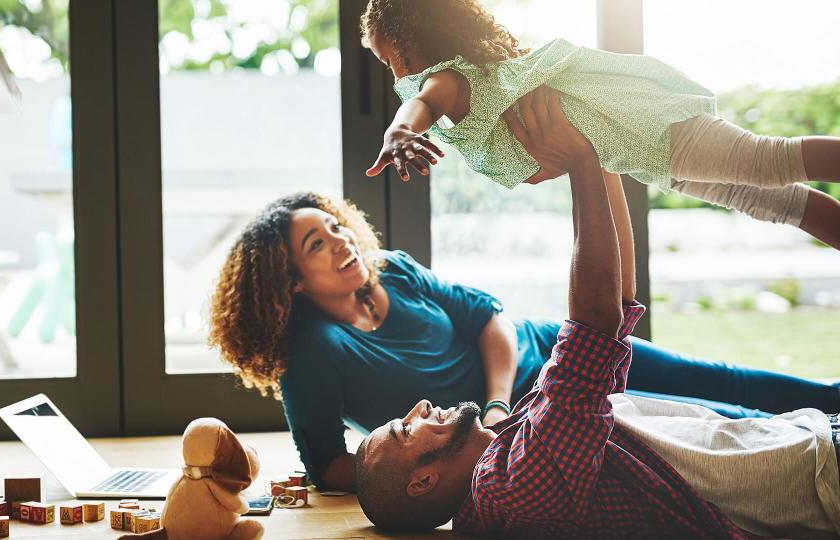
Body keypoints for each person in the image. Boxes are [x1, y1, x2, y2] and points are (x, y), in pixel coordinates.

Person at [354, 91, 840, 537]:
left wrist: (599, 157)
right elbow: (593, 328)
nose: (418, 408)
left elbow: (617, 306)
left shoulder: (510, 445)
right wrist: (581, 162)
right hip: (819, 476)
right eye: (404, 429)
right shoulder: (511, 488)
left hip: (804, 441)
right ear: (423, 482)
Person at [208, 187, 840, 494]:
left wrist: (497, 401)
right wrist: (457, 467)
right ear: (288, 282)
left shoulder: (392, 269)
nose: (342, 241)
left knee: (714, 378)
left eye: (335, 228)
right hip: (535, 426)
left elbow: (491, 318)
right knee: (708, 421)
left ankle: (832, 400)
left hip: (549, 357)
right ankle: (821, 452)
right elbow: (329, 465)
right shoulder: (311, 353)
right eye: (317, 244)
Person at [359, 0, 840, 250]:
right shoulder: (485, 77)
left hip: (649, 129)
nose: (395, 74)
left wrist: (399, 133)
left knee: (767, 161)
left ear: (417, 41)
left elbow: (420, 103)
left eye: (391, 59)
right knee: (769, 201)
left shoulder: (450, 81)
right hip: (644, 152)